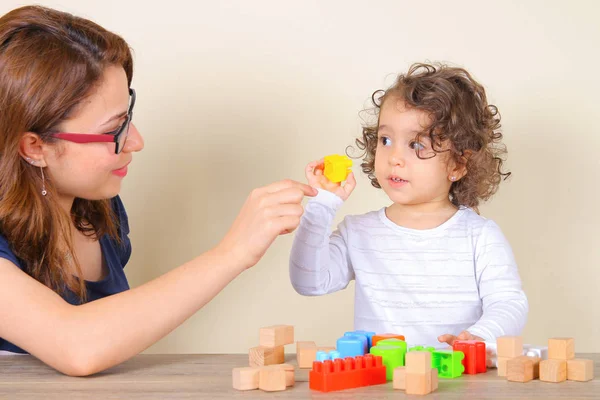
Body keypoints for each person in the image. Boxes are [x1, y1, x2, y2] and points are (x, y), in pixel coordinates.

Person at [0, 5, 316, 376]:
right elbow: (78, 347)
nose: (136, 141)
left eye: (128, 118)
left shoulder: (99, 212)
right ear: (34, 148)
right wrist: (233, 252)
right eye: (112, 130)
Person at [290, 63, 528, 348]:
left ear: (458, 164)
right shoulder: (358, 232)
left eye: (416, 145)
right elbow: (309, 281)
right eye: (386, 139)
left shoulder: (480, 236)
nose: (394, 157)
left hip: (457, 384)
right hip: (381, 386)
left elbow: (509, 303)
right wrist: (321, 207)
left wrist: (480, 336)